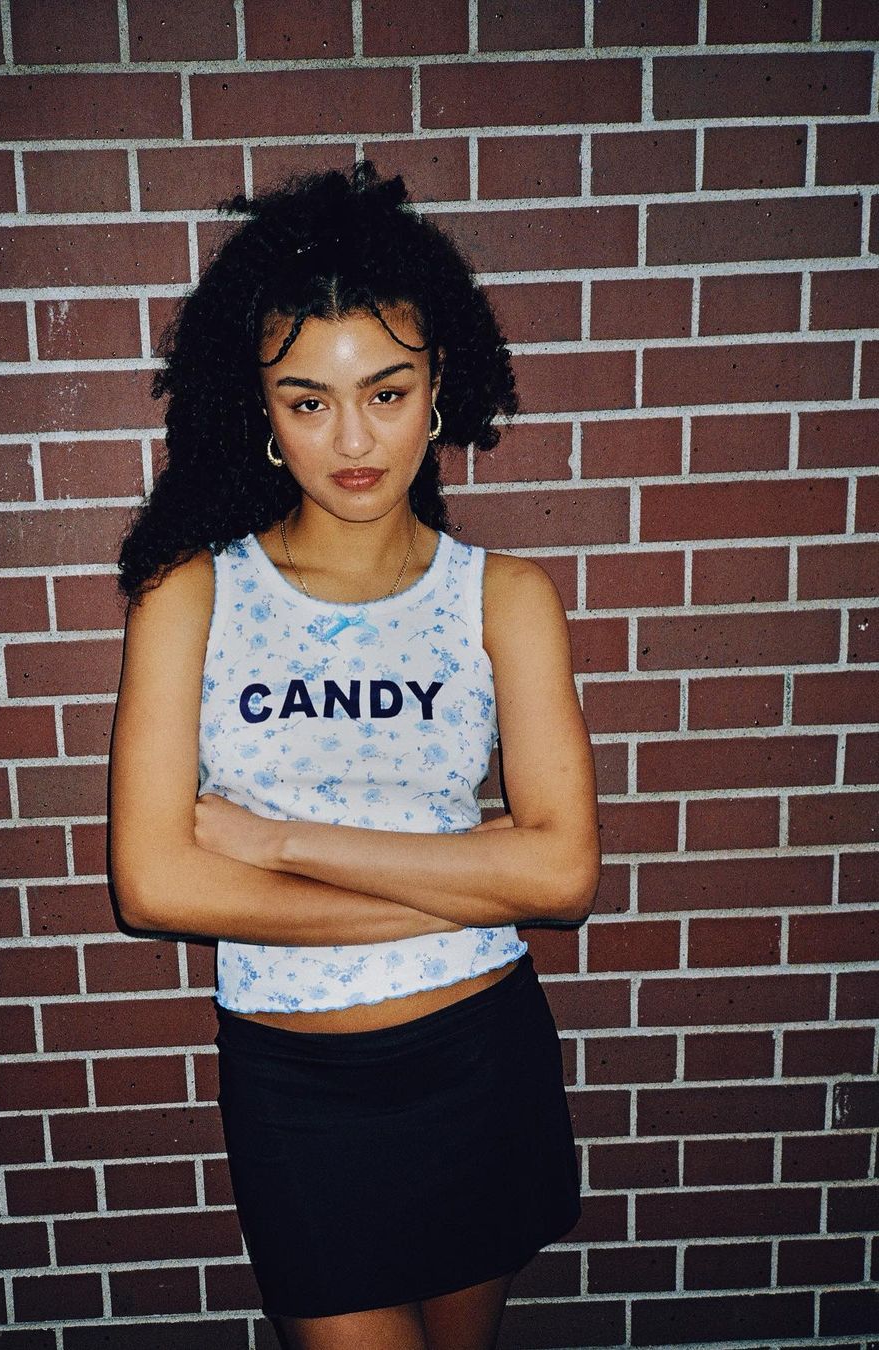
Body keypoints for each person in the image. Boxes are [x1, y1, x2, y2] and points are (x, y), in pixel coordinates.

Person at [108, 160, 601, 1350]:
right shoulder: (190, 596)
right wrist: (463, 876)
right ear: (262, 411)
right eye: (308, 400)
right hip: (299, 1094)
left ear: (439, 391)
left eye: (386, 391)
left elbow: (564, 876)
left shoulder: (506, 598)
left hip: (481, 1061)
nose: (353, 438)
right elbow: (156, 885)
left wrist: (276, 843)